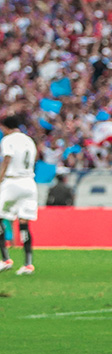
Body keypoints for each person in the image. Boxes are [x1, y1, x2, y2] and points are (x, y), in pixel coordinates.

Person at [0, 114, 38, 275]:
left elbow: (7, 159)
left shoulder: (8, 140)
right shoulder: (29, 140)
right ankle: (28, 264)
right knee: (24, 223)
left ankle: (5, 259)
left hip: (12, 181)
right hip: (29, 182)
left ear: (6, 127)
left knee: (1, 217)